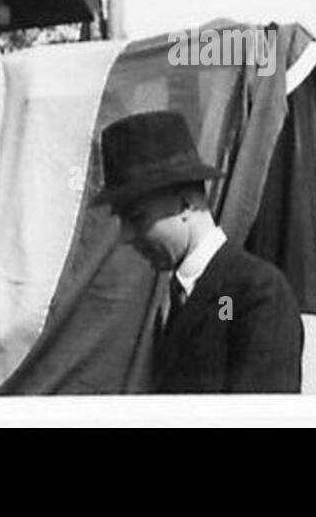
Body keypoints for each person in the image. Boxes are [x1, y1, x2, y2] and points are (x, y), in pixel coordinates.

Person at [95, 110, 303, 393]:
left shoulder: (257, 292)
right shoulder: (174, 302)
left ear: (185, 205)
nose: (125, 236)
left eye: (137, 217)